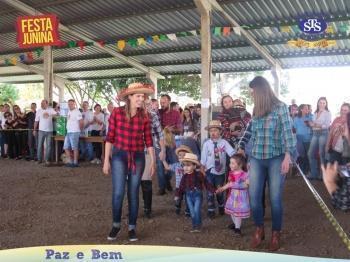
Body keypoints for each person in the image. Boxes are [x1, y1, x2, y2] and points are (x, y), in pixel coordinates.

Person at [237, 76, 295, 251]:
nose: (251, 94)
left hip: (276, 158)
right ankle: (259, 229)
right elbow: (249, 131)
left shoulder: (281, 108)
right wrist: (240, 146)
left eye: (252, 91)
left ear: (260, 91)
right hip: (256, 158)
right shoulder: (256, 110)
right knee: (254, 198)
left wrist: (288, 156)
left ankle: (276, 233)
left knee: (275, 199)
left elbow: (288, 133)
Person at [103, 82, 155, 242]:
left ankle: (132, 228)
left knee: (133, 192)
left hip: (138, 156)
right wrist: (106, 160)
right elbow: (110, 137)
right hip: (119, 156)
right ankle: (116, 225)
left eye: (143, 96)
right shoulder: (117, 113)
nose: (141, 99)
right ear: (129, 97)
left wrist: (153, 161)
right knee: (118, 192)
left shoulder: (145, 115)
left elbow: (148, 140)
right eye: (138, 96)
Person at [201, 120, 235, 218]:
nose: (213, 133)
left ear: (220, 131)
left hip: (220, 172)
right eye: (211, 131)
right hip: (209, 171)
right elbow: (203, 158)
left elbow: (232, 153)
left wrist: (237, 157)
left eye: (215, 130)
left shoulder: (224, 143)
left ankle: (221, 205)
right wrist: (202, 169)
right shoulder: (207, 144)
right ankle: (211, 210)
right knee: (210, 191)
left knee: (219, 191)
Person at [176, 153, 215, 233]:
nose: (186, 167)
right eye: (184, 165)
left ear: (194, 166)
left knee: (196, 210)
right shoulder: (184, 177)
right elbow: (181, 187)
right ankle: (195, 226)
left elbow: (206, 182)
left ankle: (198, 226)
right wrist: (178, 195)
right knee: (192, 212)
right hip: (188, 196)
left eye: (188, 165)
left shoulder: (199, 174)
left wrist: (211, 190)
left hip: (197, 195)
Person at [140, 97, 166, 219]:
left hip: (147, 152)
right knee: (132, 183)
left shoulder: (153, 116)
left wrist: (163, 150)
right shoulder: (131, 114)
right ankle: (133, 208)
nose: (147, 106)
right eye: (144, 104)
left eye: (148, 104)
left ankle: (147, 209)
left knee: (146, 180)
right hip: (131, 153)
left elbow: (160, 134)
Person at [216, 154, 250, 236]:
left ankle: (237, 229)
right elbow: (230, 183)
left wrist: (238, 185)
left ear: (240, 164)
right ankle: (235, 224)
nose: (230, 164)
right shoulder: (232, 173)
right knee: (232, 211)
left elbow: (247, 185)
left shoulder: (244, 174)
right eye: (230, 162)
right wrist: (222, 189)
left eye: (232, 163)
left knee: (237, 212)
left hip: (240, 196)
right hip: (233, 196)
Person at [163, 145, 192, 215]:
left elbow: (196, 170)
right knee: (178, 199)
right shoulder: (176, 165)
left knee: (188, 199)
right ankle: (177, 207)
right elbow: (167, 167)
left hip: (188, 186)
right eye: (179, 155)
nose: (181, 157)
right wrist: (163, 160)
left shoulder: (191, 165)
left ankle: (188, 211)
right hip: (178, 186)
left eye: (184, 155)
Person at [308, 97, 332, 180]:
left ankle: (322, 175)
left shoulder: (327, 113)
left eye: (324, 103)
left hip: (323, 134)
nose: (322, 104)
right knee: (310, 153)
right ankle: (314, 173)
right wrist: (311, 124)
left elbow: (327, 126)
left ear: (326, 104)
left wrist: (316, 125)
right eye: (320, 102)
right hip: (315, 134)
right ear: (318, 103)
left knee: (322, 155)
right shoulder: (315, 113)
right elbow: (314, 124)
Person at [34, 100, 57, 165]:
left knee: (49, 146)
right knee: (39, 145)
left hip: (49, 130)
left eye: (43, 104)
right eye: (41, 104)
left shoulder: (51, 109)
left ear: (47, 104)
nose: (42, 105)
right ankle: (39, 159)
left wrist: (52, 115)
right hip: (41, 130)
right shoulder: (39, 111)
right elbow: (36, 121)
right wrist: (34, 130)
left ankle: (47, 159)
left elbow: (57, 115)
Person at [293, 104, 313, 174]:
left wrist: (310, 125)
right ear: (301, 109)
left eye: (308, 108)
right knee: (301, 155)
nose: (307, 109)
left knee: (308, 155)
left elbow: (313, 126)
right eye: (306, 108)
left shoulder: (310, 116)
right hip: (299, 139)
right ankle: (301, 170)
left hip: (308, 138)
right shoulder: (296, 118)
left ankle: (307, 170)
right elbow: (294, 128)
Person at [64, 99, 83, 168]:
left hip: (75, 132)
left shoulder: (77, 112)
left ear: (74, 104)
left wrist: (79, 130)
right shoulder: (69, 111)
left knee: (74, 148)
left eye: (71, 104)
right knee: (65, 147)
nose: (70, 105)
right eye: (69, 104)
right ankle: (71, 162)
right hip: (68, 132)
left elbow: (81, 122)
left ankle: (75, 163)